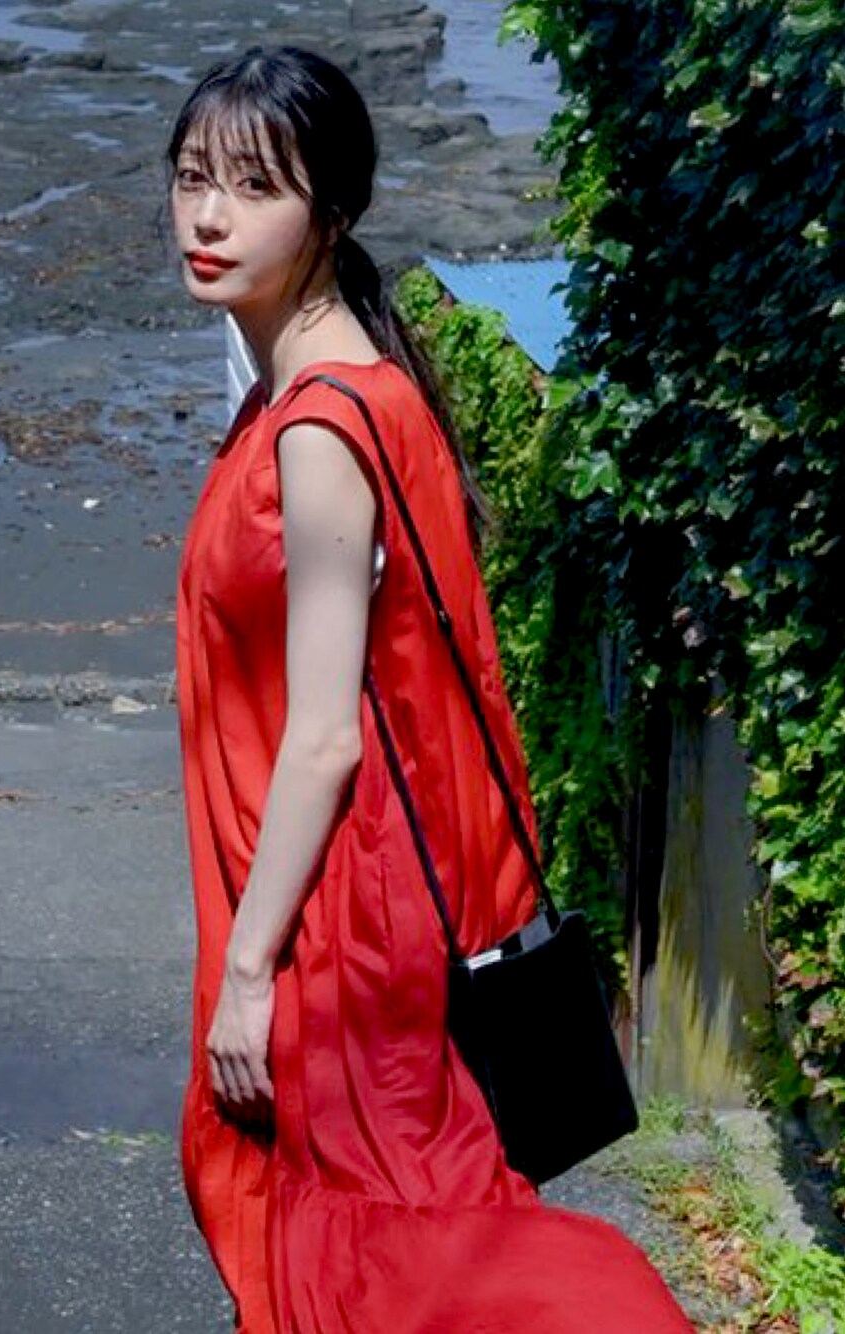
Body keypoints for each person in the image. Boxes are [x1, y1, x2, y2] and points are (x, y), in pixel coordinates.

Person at [170, 44, 695, 1334]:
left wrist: (249, 972)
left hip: (339, 919)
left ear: (333, 213)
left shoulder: (316, 429)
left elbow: (327, 737)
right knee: (393, 1210)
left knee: (395, 1244)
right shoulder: (352, 382)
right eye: (190, 177)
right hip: (359, 891)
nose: (209, 216)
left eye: (255, 186)